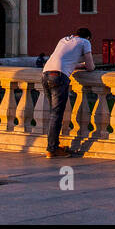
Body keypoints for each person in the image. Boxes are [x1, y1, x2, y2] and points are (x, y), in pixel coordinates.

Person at [41, 28, 94, 157]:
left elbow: (64, 59)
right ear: (87, 37)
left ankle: (54, 145)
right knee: (56, 115)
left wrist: (77, 65)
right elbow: (91, 66)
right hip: (59, 77)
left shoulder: (63, 39)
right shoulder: (84, 42)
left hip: (45, 74)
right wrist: (85, 65)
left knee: (54, 113)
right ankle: (52, 149)